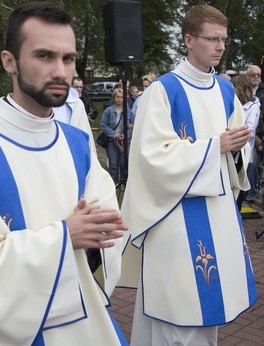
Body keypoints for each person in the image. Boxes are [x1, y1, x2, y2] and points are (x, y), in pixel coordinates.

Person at [0, 2, 129, 345]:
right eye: (44, 56)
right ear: (9, 61)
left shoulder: (78, 142)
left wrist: (97, 237)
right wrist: (64, 238)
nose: (61, 71)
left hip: (82, 319)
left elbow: (105, 226)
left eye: (68, 58)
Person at [120, 5, 257, 345]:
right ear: (188, 39)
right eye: (213, 39)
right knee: (176, 312)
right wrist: (216, 146)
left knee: (209, 312)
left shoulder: (226, 91)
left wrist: (238, 147)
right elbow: (151, 157)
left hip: (219, 212)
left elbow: (235, 151)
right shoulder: (163, 91)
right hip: (176, 216)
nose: (220, 47)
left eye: (223, 39)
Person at [232, 74, 261, 205]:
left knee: (238, 190)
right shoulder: (232, 101)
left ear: (240, 88)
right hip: (231, 150)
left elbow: (250, 130)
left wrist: (233, 136)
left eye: (234, 87)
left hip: (242, 153)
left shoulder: (253, 105)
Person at [99, 88, 134, 185]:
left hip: (124, 142)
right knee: (113, 164)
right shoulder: (108, 111)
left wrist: (126, 135)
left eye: (122, 97)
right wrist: (114, 135)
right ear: (114, 98)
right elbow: (103, 125)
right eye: (117, 97)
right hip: (112, 142)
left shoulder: (129, 112)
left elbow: (134, 126)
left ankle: (123, 184)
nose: (119, 99)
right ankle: (113, 184)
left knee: (124, 164)